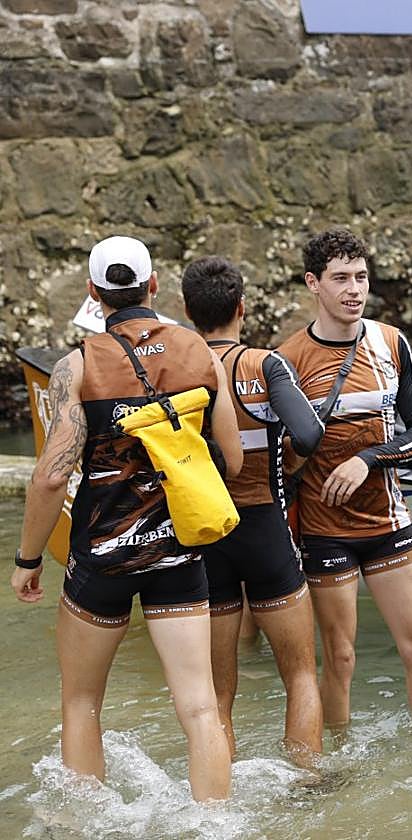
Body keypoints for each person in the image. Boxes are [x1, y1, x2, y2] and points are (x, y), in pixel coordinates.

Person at [10, 236, 242, 800]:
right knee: (200, 705)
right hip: (179, 548)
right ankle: (217, 828)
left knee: (82, 702)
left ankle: (86, 827)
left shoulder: (79, 366)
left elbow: (49, 477)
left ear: (94, 293)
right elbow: (232, 460)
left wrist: (28, 559)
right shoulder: (200, 353)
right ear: (154, 285)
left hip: (103, 556)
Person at [277, 229, 412, 726]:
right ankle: (338, 764)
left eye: (361, 277)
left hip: (388, 522)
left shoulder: (391, 342)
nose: (354, 289)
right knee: (341, 658)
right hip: (325, 530)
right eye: (341, 278)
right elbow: (279, 459)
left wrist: (369, 458)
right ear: (314, 284)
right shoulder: (287, 360)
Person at [181, 256, 326, 762]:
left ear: (187, 310)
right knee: (302, 676)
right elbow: (309, 432)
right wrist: (286, 466)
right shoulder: (264, 363)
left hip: (205, 536)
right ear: (242, 307)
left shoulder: (178, 367)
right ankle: (307, 782)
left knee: (216, 696)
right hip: (265, 528)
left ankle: (221, 798)